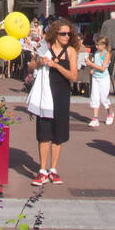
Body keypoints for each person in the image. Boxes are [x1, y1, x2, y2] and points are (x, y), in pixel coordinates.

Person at [29, 18, 79, 186]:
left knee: (58, 134)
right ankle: (42, 170)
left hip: (61, 95)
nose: (66, 36)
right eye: (63, 33)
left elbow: (73, 76)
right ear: (55, 34)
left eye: (68, 33)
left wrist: (56, 66)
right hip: (45, 94)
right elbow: (30, 66)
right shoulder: (44, 48)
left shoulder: (71, 51)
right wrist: (39, 62)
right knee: (44, 132)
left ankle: (53, 169)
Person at [87, 36, 114, 127]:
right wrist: (92, 68)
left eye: (98, 45)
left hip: (103, 79)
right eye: (96, 45)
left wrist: (91, 65)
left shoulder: (107, 54)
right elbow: (95, 64)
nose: (96, 46)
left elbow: (103, 68)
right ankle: (95, 118)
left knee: (104, 98)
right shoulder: (96, 53)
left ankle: (110, 113)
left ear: (104, 45)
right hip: (95, 77)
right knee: (94, 96)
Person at [98, 10, 115, 92]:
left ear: (110, 16)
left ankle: (104, 75)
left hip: (106, 46)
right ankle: (110, 77)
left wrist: (100, 45)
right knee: (113, 63)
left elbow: (102, 34)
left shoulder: (105, 23)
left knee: (104, 61)